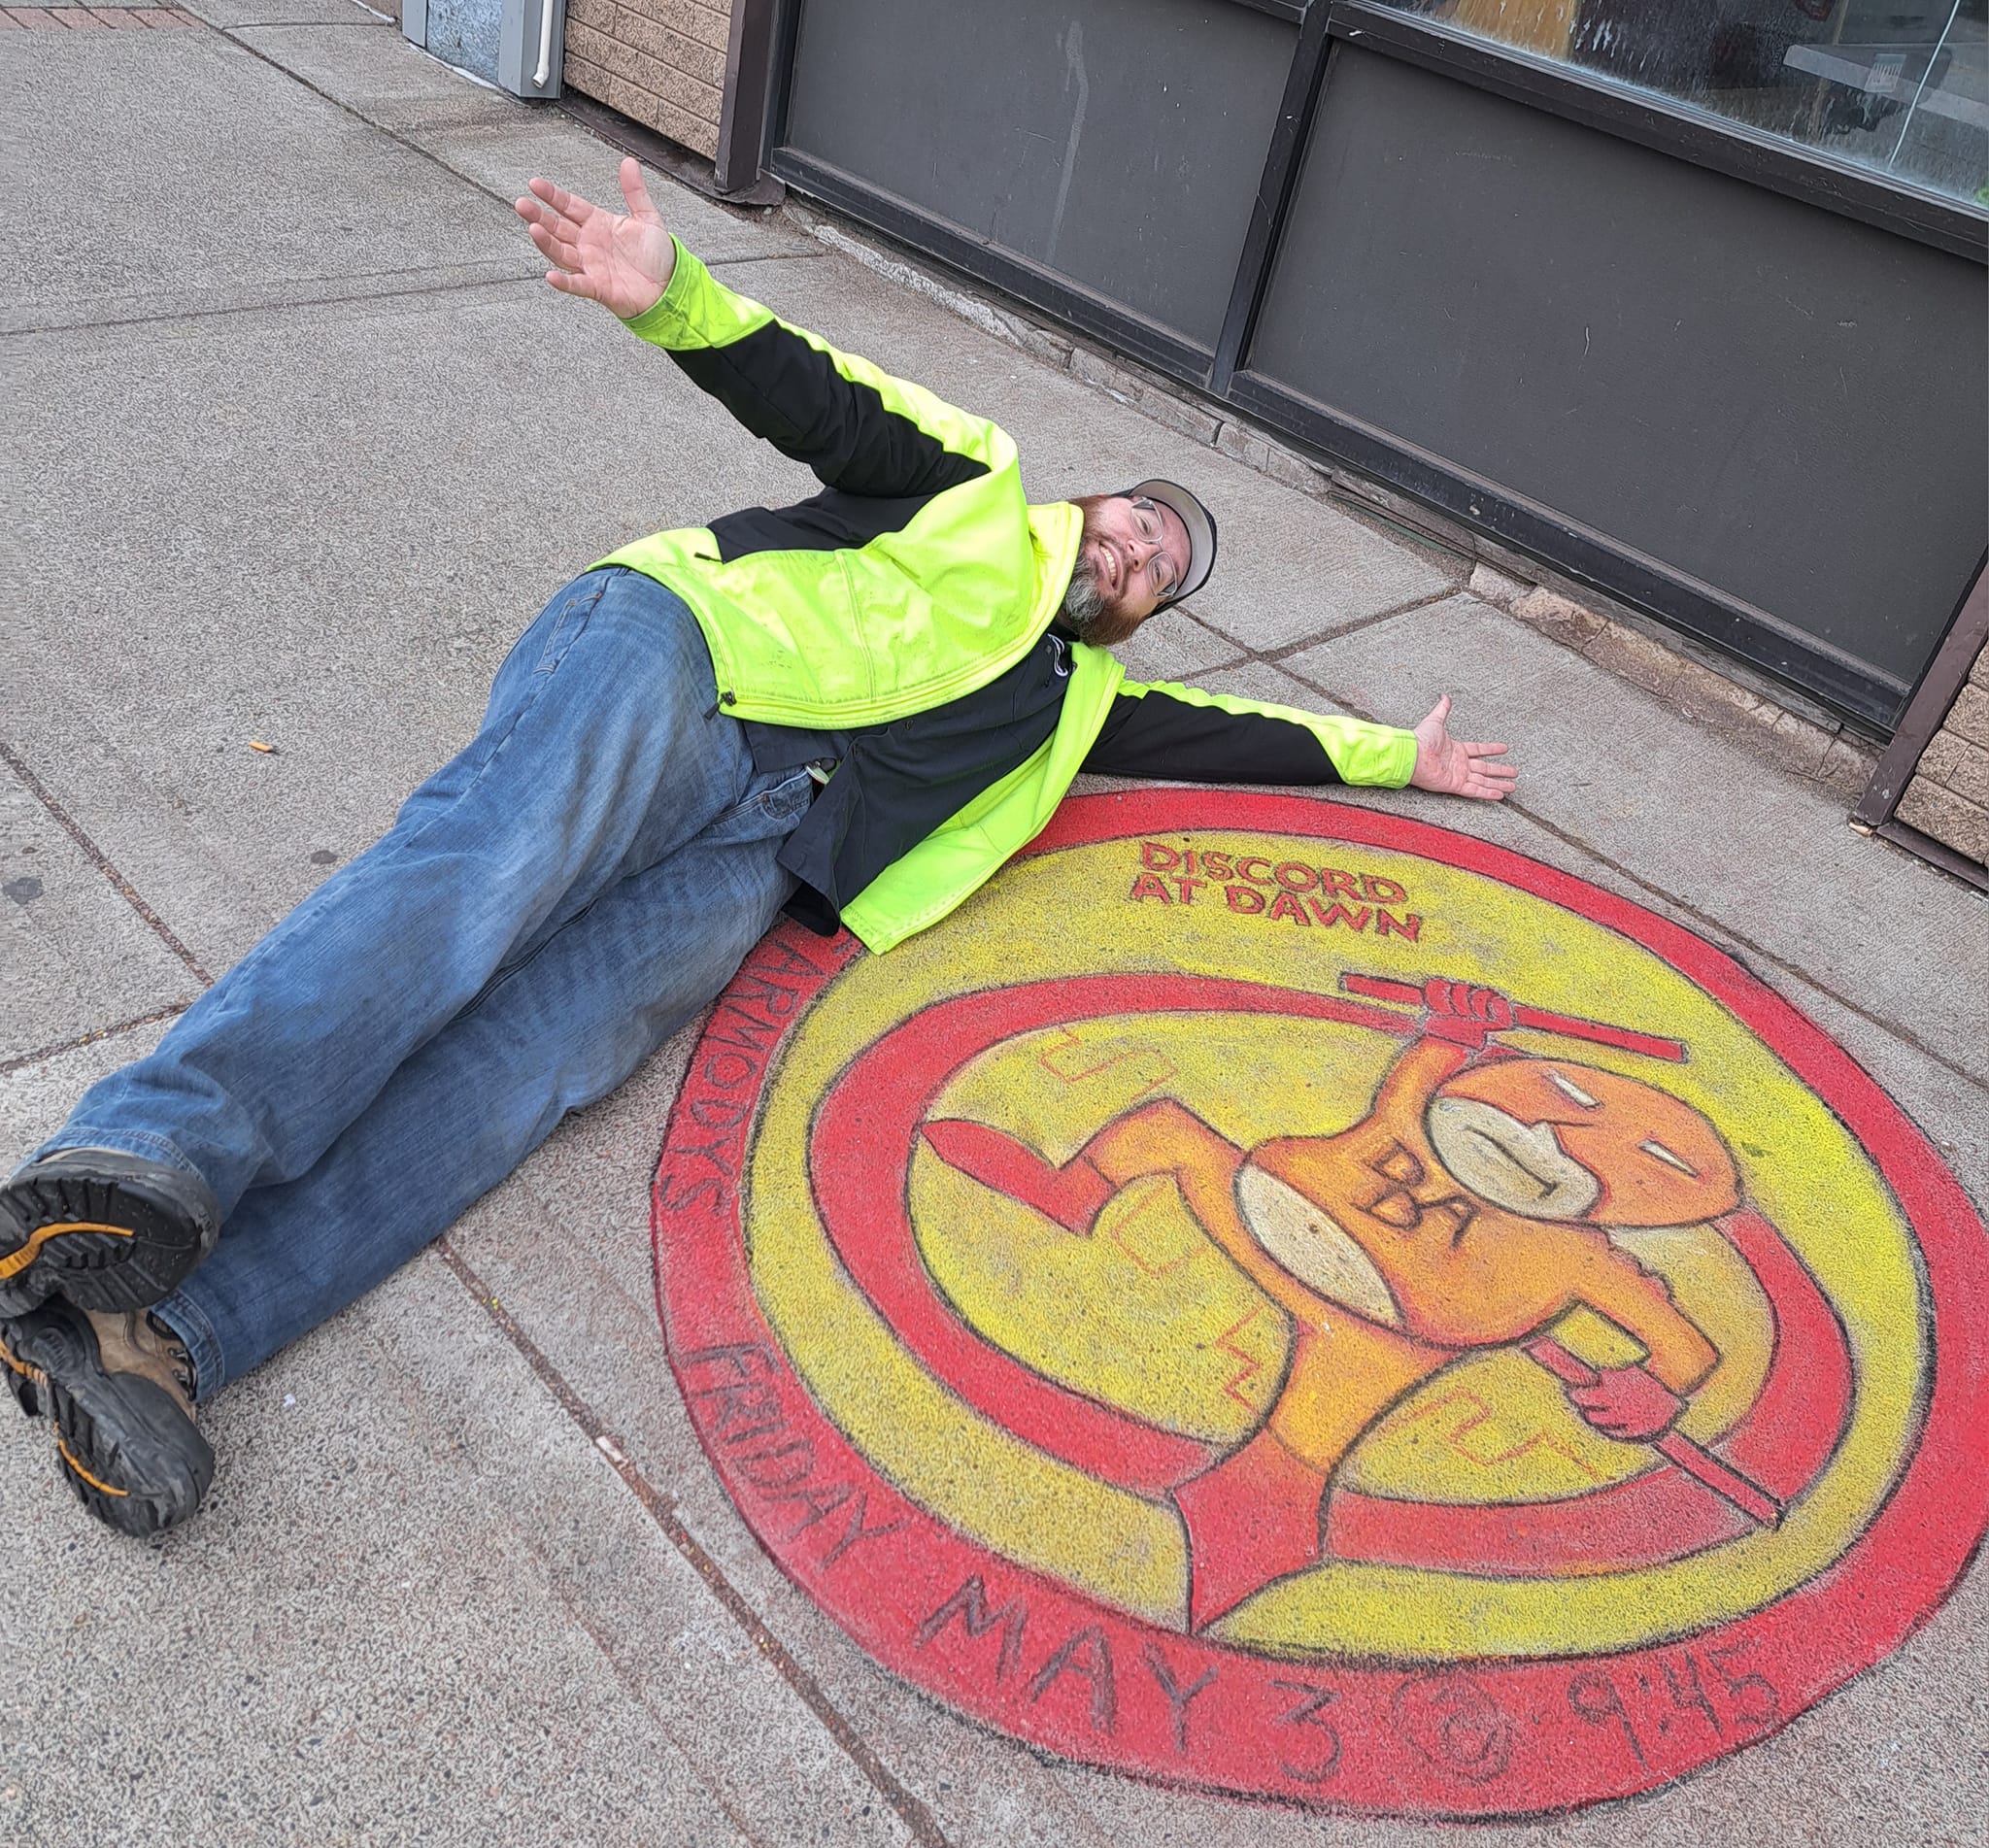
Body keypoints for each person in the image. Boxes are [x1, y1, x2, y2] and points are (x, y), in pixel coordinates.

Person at [0, 160, 1516, 1536]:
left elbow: (1256, 736)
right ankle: (148, 1154)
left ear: (1142, 620)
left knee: (528, 1068)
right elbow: (825, 398)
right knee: (474, 890)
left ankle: (147, 1339)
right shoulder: (974, 494)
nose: (1131, 559)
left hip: (764, 861)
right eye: (1132, 525)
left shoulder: (1086, 710)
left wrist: (1410, 759)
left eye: (1156, 576)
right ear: (1086, 506)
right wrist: (679, 300)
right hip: (690, 671)